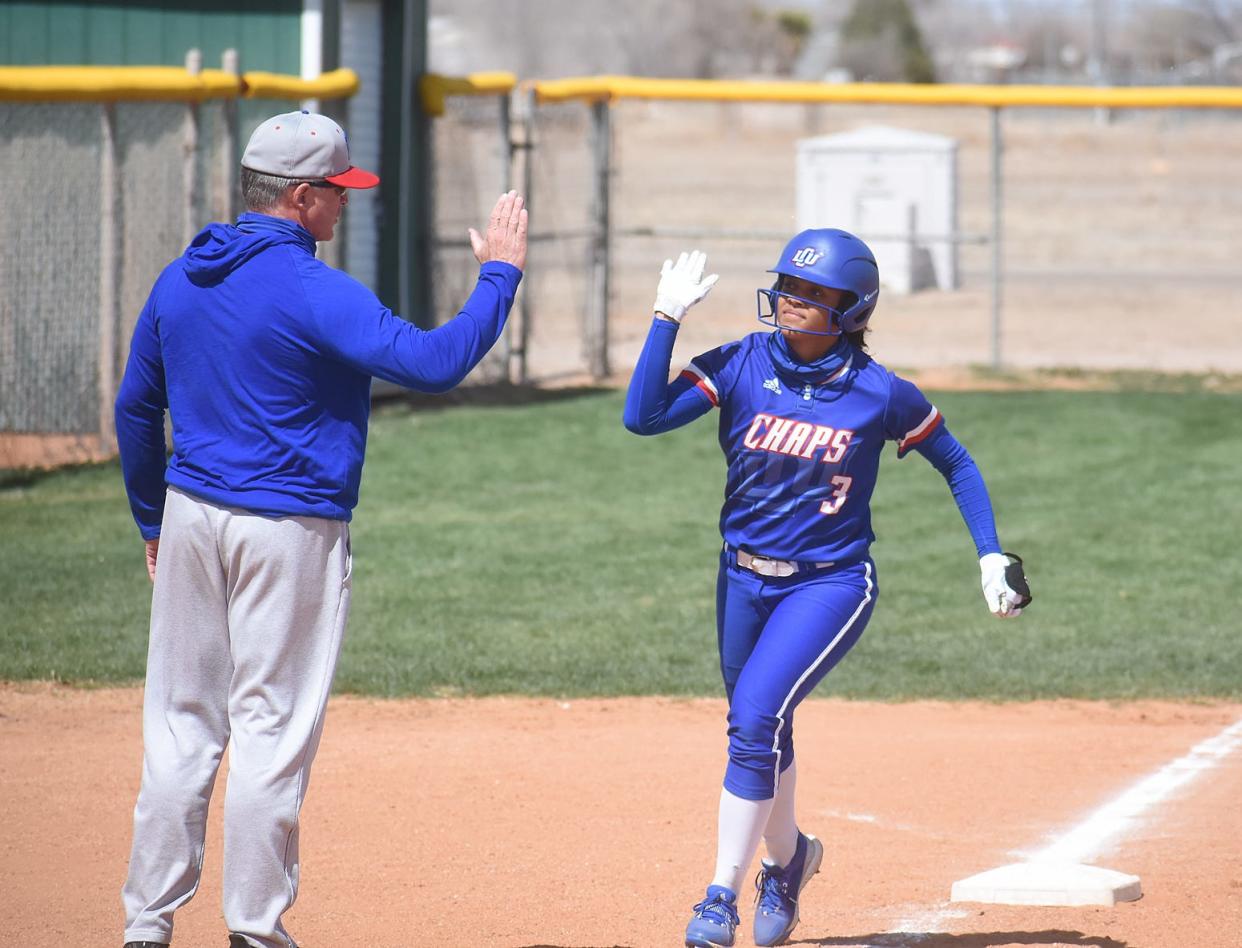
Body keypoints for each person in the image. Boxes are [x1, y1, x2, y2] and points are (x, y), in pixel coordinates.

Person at [114, 110, 527, 948]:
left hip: (192, 519)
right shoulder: (315, 290)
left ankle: (145, 925)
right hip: (288, 531)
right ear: (301, 197)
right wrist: (501, 278)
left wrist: (153, 520)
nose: (346, 206)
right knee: (270, 726)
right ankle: (255, 930)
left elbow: (134, 410)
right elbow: (436, 363)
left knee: (181, 724)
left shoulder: (178, 278)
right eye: (336, 192)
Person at [622, 234, 1026, 948]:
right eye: (787, 287)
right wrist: (665, 318)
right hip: (740, 579)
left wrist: (991, 555)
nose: (791, 302)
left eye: (812, 294)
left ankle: (719, 897)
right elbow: (643, 416)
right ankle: (791, 862)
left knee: (751, 720)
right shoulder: (742, 362)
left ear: (852, 310)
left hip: (831, 584)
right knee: (761, 726)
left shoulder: (880, 393)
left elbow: (957, 464)